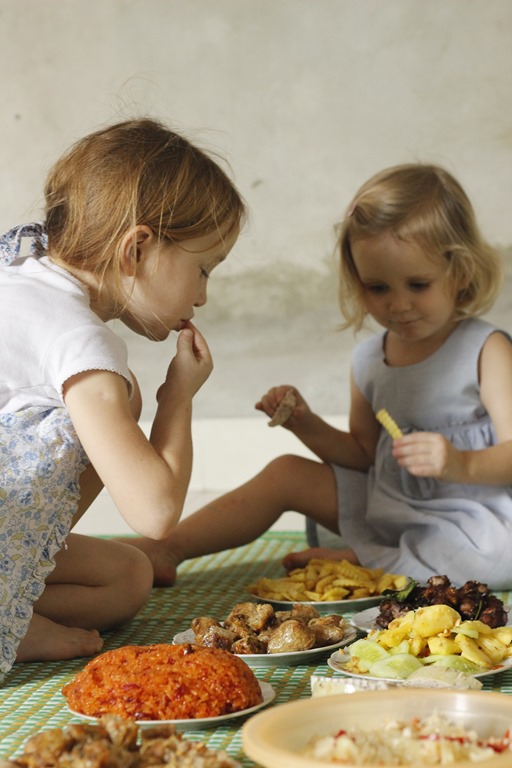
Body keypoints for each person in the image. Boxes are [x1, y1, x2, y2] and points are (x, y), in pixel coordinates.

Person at [130, 162, 512, 592]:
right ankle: (168, 548)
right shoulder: (370, 360)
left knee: (502, 556)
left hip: (472, 516)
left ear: (460, 271)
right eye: (378, 288)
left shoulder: (485, 350)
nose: (399, 304)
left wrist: (460, 463)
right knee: (286, 472)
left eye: (418, 285)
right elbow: (363, 454)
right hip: (391, 505)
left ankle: (367, 562)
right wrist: (304, 423)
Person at [0, 117, 244, 681]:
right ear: (136, 248)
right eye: (202, 270)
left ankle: (15, 606)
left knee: (128, 577)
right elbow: (155, 513)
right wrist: (177, 397)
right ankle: (11, 620)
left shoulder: (19, 268)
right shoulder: (79, 341)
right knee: (120, 396)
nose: (202, 296)